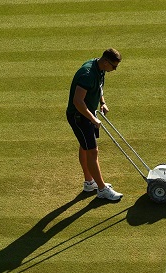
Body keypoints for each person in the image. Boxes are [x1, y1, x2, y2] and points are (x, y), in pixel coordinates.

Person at [66, 48, 124, 201]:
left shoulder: (100, 68)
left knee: (85, 147)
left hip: (87, 114)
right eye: (114, 66)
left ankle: (89, 182)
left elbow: (99, 87)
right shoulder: (87, 74)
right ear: (105, 61)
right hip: (79, 116)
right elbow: (77, 101)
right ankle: (102, 189)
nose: (115, 69)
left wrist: (102, 102)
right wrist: (93, 119)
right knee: (93, 151)